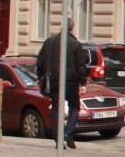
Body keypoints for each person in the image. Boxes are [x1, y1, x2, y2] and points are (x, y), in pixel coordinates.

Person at [36, 19, 89, 149]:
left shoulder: (49, 42)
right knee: (74, 107)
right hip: (70, 81)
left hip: (53, 80)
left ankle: (58, 139)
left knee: (56, 108)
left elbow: (40, 62)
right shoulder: (75, 44)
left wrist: (40, 77)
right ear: (72, 28)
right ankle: (68, 133)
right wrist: (82, 82)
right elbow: (81, 65)